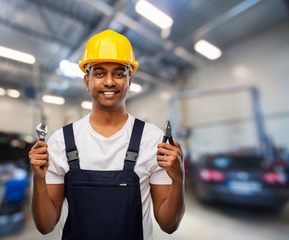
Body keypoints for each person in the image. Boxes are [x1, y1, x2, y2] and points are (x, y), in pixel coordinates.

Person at [29, 29, 185, 240]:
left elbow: (169, 225)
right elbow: (45, 225)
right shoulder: (61, 141)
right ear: (87, 81)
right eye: (100, 73)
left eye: (119, 73)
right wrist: (38, 179)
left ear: (130, 80)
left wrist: (178, 179)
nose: (110, 82)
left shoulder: (153, 140)